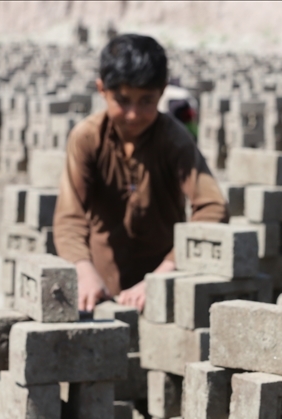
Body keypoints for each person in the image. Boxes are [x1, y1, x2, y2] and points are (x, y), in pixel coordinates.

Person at [53, 34, 227, 312]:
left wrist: (165, 272)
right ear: (102, 90)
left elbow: (212, 207)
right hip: (101, 289)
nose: (133, 114)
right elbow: (69, 217)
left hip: (164, 289)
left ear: (162, 92)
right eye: (122, 101)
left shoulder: (174, 140)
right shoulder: (87, 139)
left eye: (146, 101)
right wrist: (83, 271)